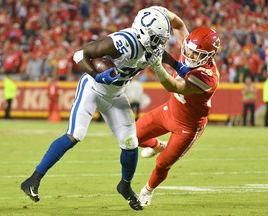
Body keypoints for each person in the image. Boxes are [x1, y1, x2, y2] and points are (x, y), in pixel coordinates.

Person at [20, 6, 189, 211]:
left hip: (116, 94)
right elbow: (79, 55)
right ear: (145, 33)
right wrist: (95, 74)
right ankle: (33, 180)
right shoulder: (122, 43)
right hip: (93, 87)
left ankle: (125, 186)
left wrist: (177, 66)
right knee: (76, 134)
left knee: (130, 142)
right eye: (157, 38)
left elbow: (158, 54)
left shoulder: (151, 44)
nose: (160, 42)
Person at [136, 26, 221, 206]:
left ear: (209, 56)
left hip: (188, 127)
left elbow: (174, 86)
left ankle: (147, 190)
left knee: (162, 164)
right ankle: (159, 145)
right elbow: (178, 24)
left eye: (196, 53)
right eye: (189, 49)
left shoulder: (208, 78)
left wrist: (158, 65)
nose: (190, 55)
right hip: (169, 111)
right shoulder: (190, 50)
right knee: (130, 138)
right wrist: (163, 13)